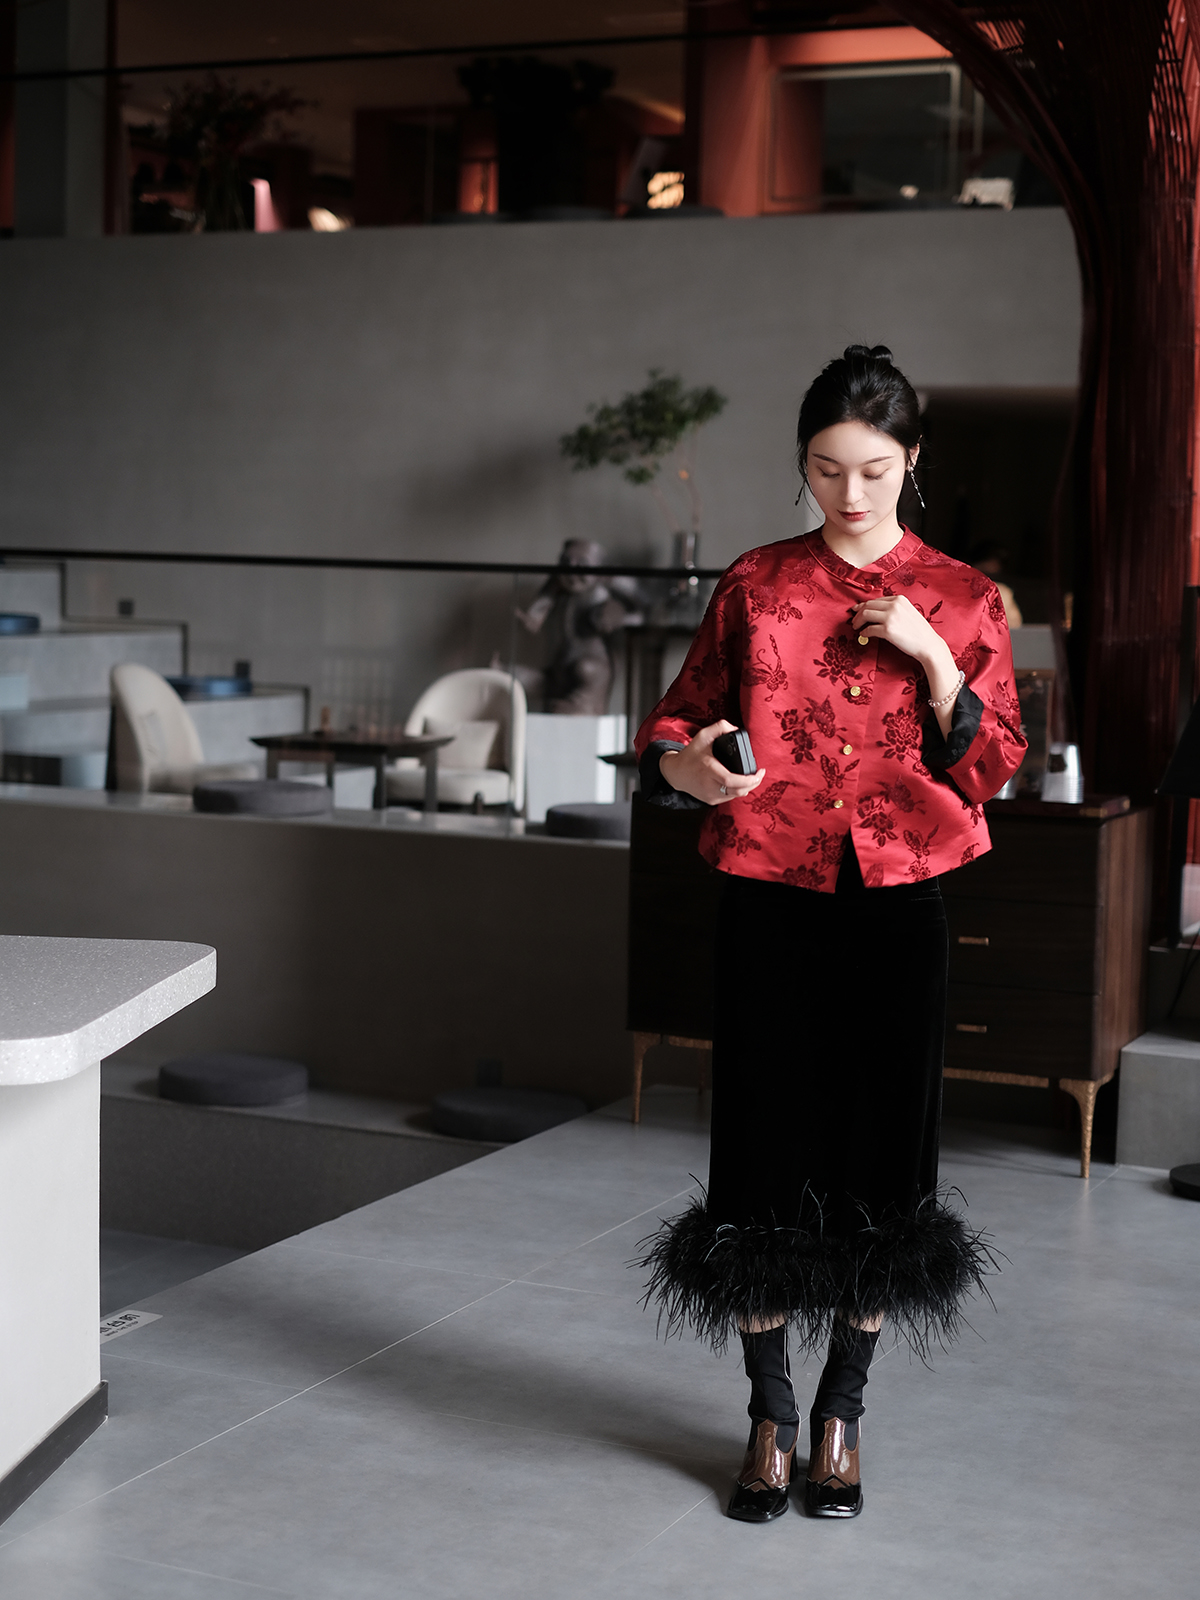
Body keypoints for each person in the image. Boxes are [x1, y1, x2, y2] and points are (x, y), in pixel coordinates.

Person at [634, 345, 1026, 1523]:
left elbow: (997, 765)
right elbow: (675, 721)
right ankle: (767, 1414)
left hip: (901, 904)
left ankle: (841, 1413)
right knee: (758, 1153)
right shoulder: (756, 584)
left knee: (885, 1166)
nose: (848, 494)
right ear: (801, 463)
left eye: (873, 470)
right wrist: (689, 770)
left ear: (912, 463)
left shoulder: (965, 598)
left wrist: (933, 657)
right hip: (768, 894)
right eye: (824, 468)